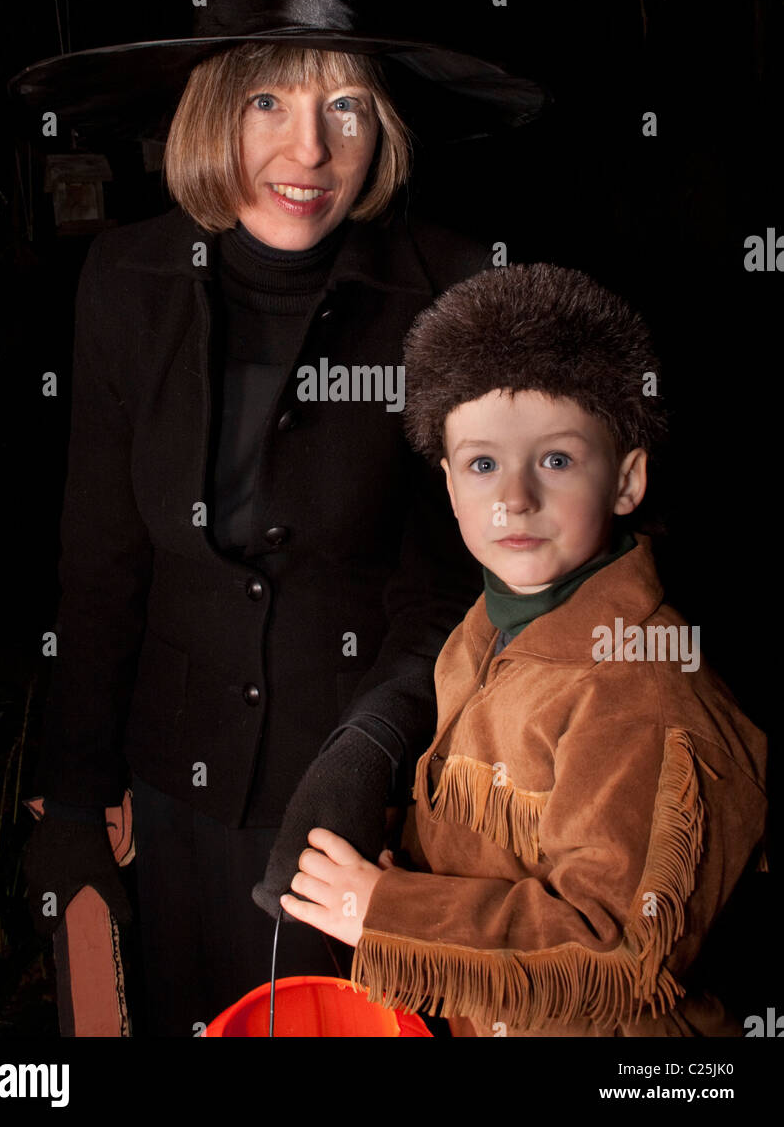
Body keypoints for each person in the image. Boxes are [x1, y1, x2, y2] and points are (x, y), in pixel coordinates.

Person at [23, 40, 498, 1033]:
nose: (310, 149)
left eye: (348, 109)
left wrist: (362, 758)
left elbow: (448, 589)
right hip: (175, 796)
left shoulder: (450, 290)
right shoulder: (125, 276)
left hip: (366, 816)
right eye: (269, 102)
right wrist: (73, 802)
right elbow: (101, 566)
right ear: (211, 113)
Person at [279, 262, 768, 1037]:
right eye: (483, 464)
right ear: (448, 486)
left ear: (628, 479)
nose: (515, 497)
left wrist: (384, 909)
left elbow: (622, 953)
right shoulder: (478, 634)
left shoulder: (642, 687)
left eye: (557, 459)